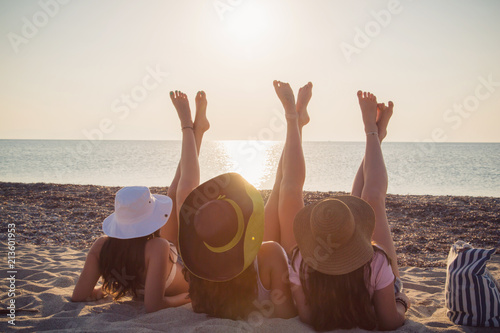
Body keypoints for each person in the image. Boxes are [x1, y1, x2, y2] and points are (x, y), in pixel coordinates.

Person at [71, 90, 209, 313]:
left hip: (169, 259)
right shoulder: (156, 247)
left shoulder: (102, 246)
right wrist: (186, 297)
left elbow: (79, 296)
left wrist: (105, 290)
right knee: (185, 192)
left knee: (175, 190)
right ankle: (189, 127)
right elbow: (154, 306)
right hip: (193, 270)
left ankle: (197, 131)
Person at [177, 81, 304, 320]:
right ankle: (293, 122)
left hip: (248, 274)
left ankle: (295, 122)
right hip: (265, 265)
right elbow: (286, 313)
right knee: (284, 190)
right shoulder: (271, 254)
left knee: (286, 189)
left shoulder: (197, 269)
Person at [288, 91, 411, 331]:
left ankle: (375, 136)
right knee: (371, 200)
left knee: (367, 201)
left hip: (357, 273)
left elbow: (305, 315)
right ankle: (373, 134)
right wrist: (401, 303)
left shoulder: (301, 258)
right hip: (379, 279)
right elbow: (390, 321)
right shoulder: (376, 260)